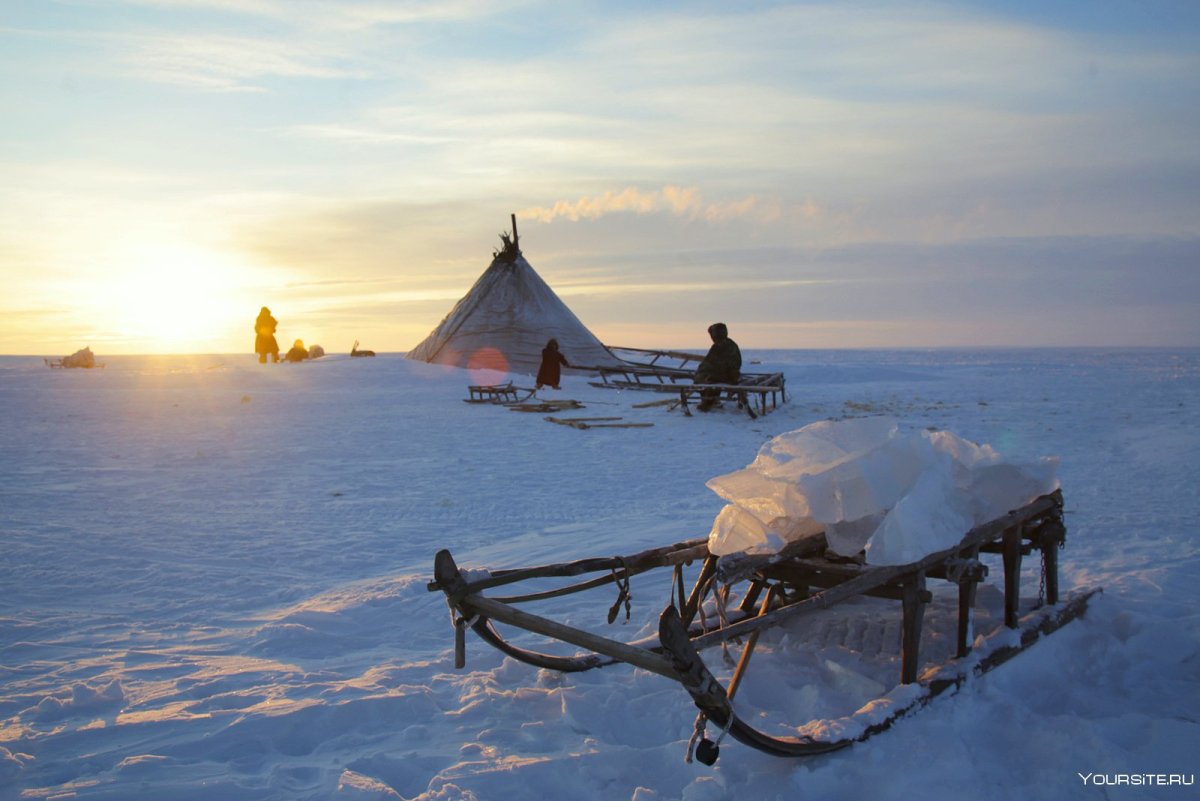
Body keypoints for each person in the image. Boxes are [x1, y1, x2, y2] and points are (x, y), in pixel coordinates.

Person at [693, 322, 742, 411]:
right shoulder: (726, 344)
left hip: (727, 376)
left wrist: (704, 371)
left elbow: (717, 364)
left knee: (706, 379)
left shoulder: (723, 346)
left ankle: (708, 402)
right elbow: (709, 362)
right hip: (727, 375)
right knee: (704, 376)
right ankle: (710, 400)